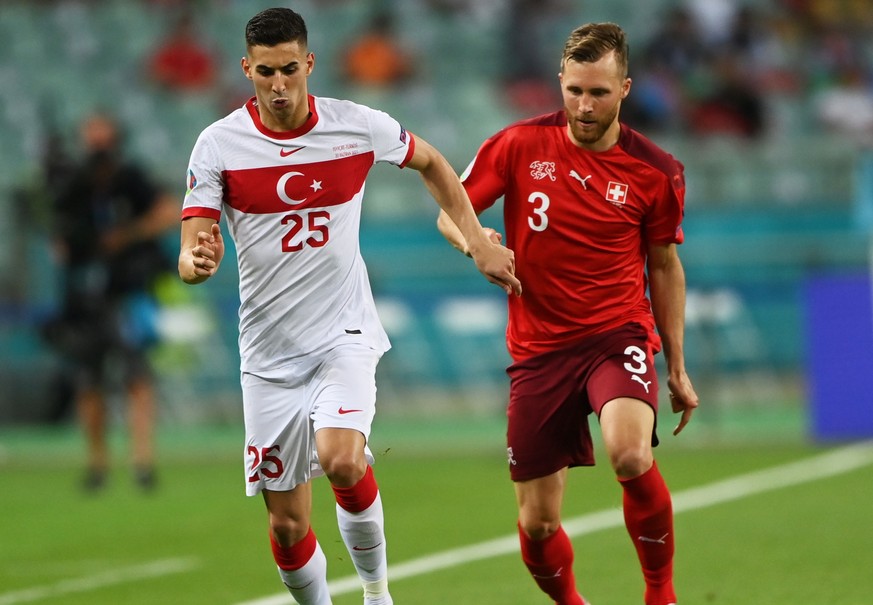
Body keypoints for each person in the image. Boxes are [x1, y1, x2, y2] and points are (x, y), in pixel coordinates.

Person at [177, 8, 520, 605]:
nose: (279, 85)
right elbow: (192, 243)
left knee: (341, 458)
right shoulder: (218, 145)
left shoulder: (355, 125)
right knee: (286, 524)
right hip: (268, 354)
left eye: (289, 69)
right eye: (265, 73)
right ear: (246, 69)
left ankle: (377, 594)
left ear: (309, 63)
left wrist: (473, 241)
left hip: (345, 332)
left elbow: (433, 163)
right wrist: (195, 261)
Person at [437, 22, 699, 605]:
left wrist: (676, 364)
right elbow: (450, 211)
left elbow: (664, 266)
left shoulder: (657, 171)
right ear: (560, 81)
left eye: (599, 93)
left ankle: (661, 595)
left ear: (625, 88)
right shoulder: (516, 144)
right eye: (575, 90)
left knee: (630, 454)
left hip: (617, 334)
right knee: (538, 524)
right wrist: (476, 245)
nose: (584, 105)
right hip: (538, 351)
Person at [47, 111, 178, 492]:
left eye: (102, 131)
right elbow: (59, 238)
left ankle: (142, 461)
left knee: (137, 376)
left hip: (130, 292)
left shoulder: (132, 177)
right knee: (90, 381)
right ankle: (98, 462)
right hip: (88, 297)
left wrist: (127, 235)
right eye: (90, 132)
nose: (96, 140)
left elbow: (168, 212)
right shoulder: (72, 182)